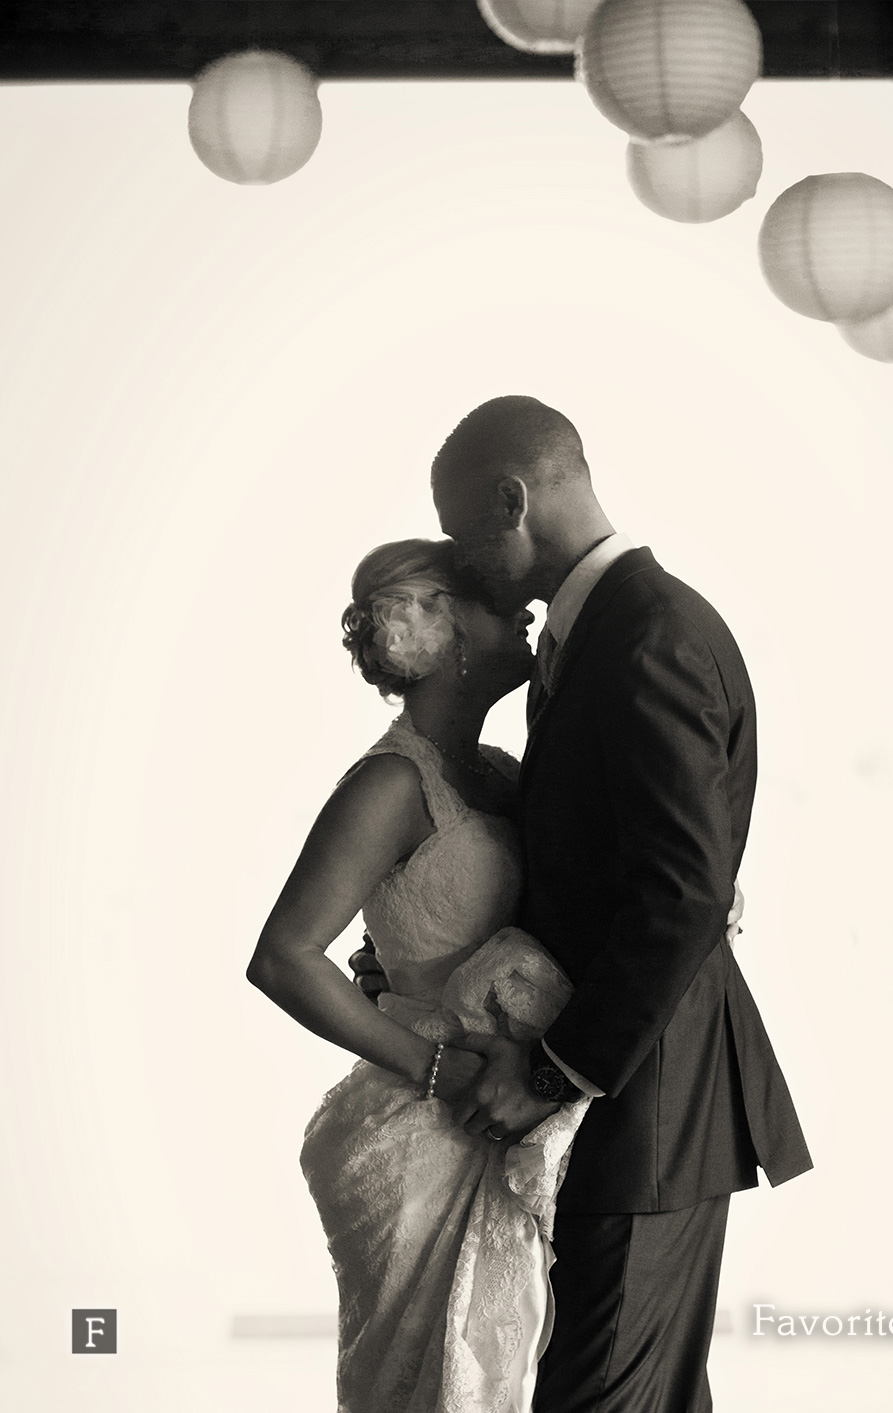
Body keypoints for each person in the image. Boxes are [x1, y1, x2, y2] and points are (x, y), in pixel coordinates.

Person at [418, 395, 813, 1412]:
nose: (469, 570)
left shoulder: (649, 637)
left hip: (651, 1101)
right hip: (638, 1096)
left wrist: (554, 1071)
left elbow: (683, 892)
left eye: (469, 539)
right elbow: (600, 867)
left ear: (512, 499)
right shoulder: (611, 631)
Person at [247, 538, 591, 1413]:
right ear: (442, 627)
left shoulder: (498, 776)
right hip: (428, 1126)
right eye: (491, 597)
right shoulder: (391, 784)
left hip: (503, 1111)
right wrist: (435, 1065)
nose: (524, 608)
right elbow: (284, 955)